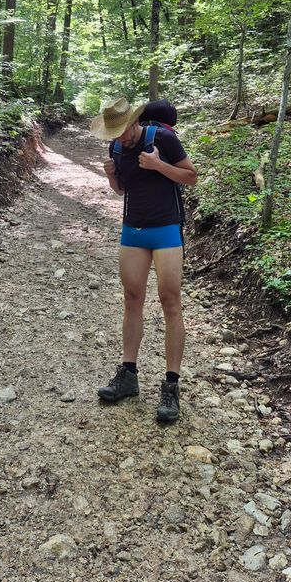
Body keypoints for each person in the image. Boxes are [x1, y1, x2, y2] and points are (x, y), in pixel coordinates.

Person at [90, 97, 197, 422]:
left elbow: (191, 176)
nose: (119, 138)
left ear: (135, 122)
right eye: (114, 134)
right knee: (132, 299)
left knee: (170, 301)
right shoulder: (116, 149)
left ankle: (171, 385)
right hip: (132, 230)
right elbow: (122, 189)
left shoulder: (162, 138)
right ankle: (128, 375)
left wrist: (158, 165)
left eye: (122, 131)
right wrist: (111, 176)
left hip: (166, 228)